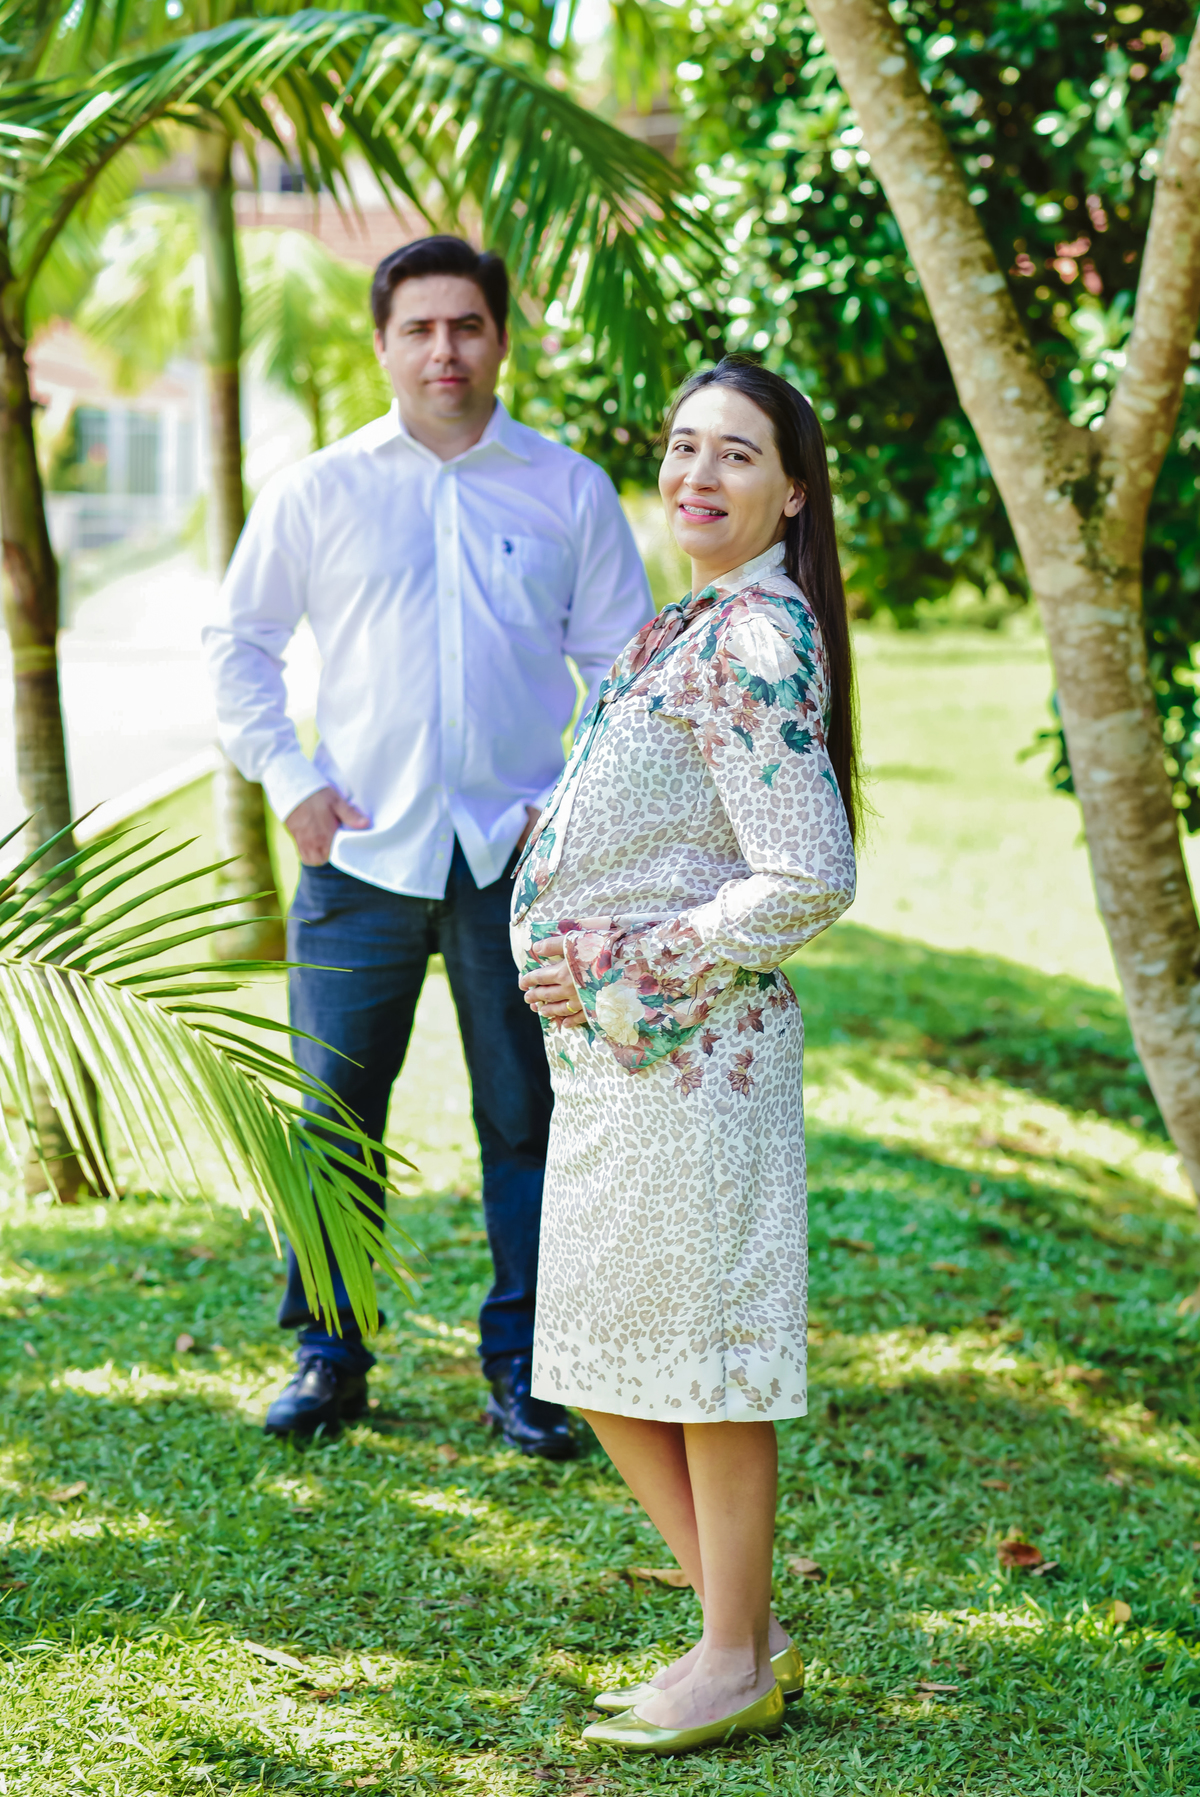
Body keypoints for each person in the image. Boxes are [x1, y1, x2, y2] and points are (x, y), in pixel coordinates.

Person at [203, 235, 652, 1453]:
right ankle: (329, 1354)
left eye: (466, 326)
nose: (444, 350)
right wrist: (291, 780)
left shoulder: (567, 489)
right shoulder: (319, 490)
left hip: (521, 864)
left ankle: (530, 1368)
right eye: (419, 328)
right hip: (358, 859)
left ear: (502, 339)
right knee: (335, 1116)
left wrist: (569, 804)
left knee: (527, 1119)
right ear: (384, 344)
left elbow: (626, 669)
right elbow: (238, 646)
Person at [513, 357, 858, 1752]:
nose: (697, 474)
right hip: (620, 1072)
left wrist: (624, 960)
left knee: (703, 1368)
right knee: (604, 1355)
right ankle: (744, 1630)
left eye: (736, 453)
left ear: (793, 493)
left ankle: (728, 1657)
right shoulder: (692, 622)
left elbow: (810, 875)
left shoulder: (756, 636)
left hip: (692, 1059)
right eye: (682, 445)